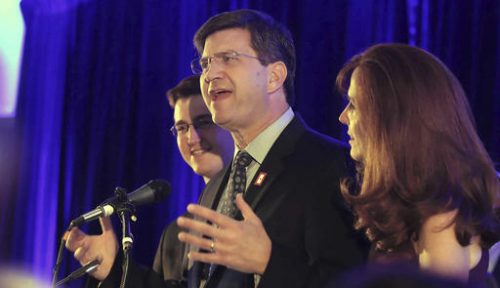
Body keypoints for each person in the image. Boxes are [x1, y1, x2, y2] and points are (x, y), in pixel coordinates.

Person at [175, 9, 367, 288]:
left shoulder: (331, 167)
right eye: (205, 64)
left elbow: (349, 281)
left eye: (228, 59)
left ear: (274, 76)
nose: (210, 75)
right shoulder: (216, 186)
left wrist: (268, 262)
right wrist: (115, 270)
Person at [336, 43, 500, 287]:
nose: (343, 117)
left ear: (392, 118)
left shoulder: (440, 213)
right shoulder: (417, 200)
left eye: (354, 105)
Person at [64, 75, 234, 287]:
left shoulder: (257, 210)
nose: (192, 138)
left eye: (203, 122)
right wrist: (114, 270)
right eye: (182, 128)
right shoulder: (174, 237)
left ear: (230, 121)